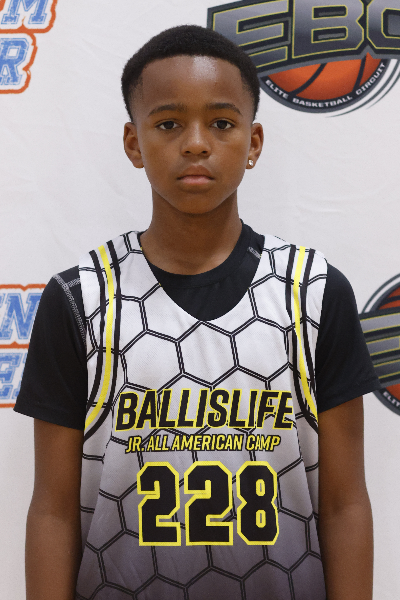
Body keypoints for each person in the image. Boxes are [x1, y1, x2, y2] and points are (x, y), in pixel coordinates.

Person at [15, 24, 379, 600]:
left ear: (253, 142)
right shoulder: (80, 299)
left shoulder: (313, 291)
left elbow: (344, 503)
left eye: (221, 123)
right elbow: (53, 511)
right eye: (168, 124)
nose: (195, 144)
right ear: (134, 143)